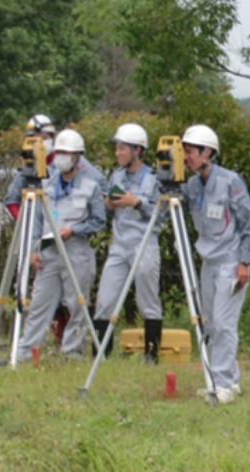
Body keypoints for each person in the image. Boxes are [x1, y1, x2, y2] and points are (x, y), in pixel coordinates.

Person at [3, 115, 108, 347]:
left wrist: (75, 229)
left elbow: (99, 220)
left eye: (66, 154)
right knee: (40, 302)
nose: (60, 158)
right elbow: (36, 221)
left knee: (77, 304)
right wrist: (32, 250)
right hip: (49, 252)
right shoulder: (45, 186)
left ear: (77, 157)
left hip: (76, 251)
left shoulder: (90, 186)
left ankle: (72, 351)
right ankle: (26, 350)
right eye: (58, 153)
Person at [182, 124, 250, 404]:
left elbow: (249, 225)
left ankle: (223, 383)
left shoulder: (230, 181)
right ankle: (226, 378)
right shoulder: (191, 185)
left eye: (190, 152)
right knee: (212, 323)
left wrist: (244, 262)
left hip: (230, 261)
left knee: (225, 323)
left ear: (207, 152)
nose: (186, 157)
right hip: (208, 262)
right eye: (184, 151)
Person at [92, 123, 163, 362]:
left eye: (122, 148)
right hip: (119, 245)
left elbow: (162, 215)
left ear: (137, 150)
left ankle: (151, 356)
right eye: (117, 148)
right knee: (104, 300)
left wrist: (137, 203)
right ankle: (100, 355)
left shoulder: (154, 178)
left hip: (145, 243)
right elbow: (111, 209)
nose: (117, 153)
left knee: (148, 301)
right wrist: (109, 205)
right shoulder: (117, 175)